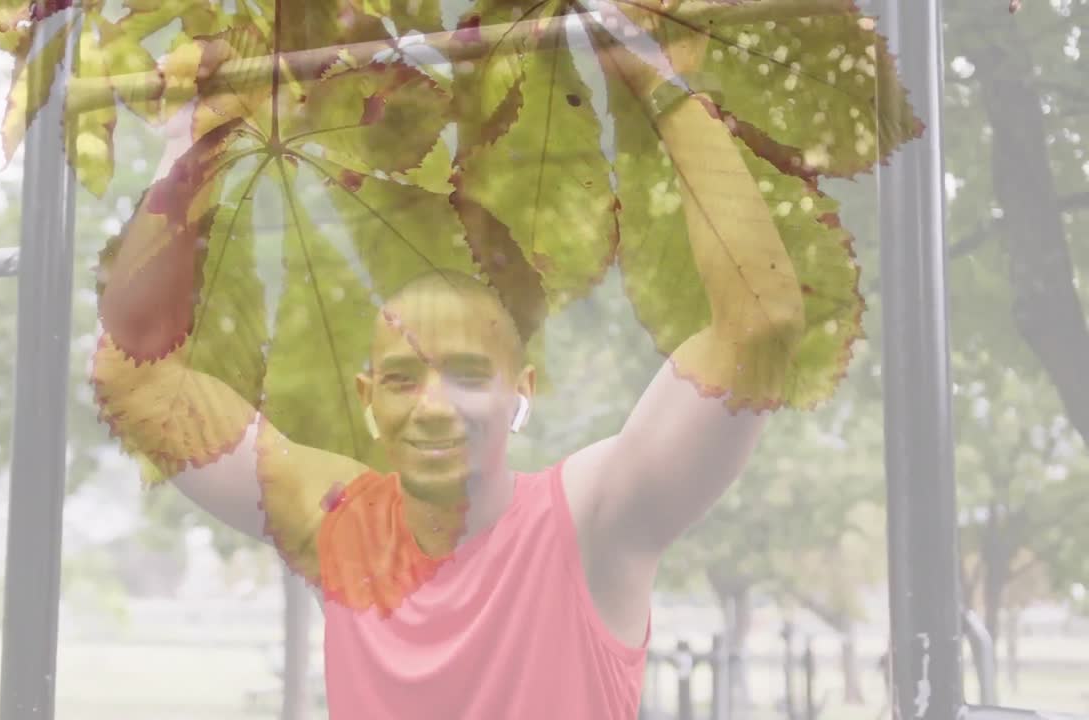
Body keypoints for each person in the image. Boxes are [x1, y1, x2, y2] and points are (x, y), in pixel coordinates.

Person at [93, 89, 806, 719]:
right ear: (369, 400)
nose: (435, 405)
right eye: (404, 379)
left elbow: (761, 324)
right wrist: (188, 150)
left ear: (519, 392)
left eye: (467, 374)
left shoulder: (591, 522)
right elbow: (134, 377)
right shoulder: (338, 528)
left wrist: (662, 82)